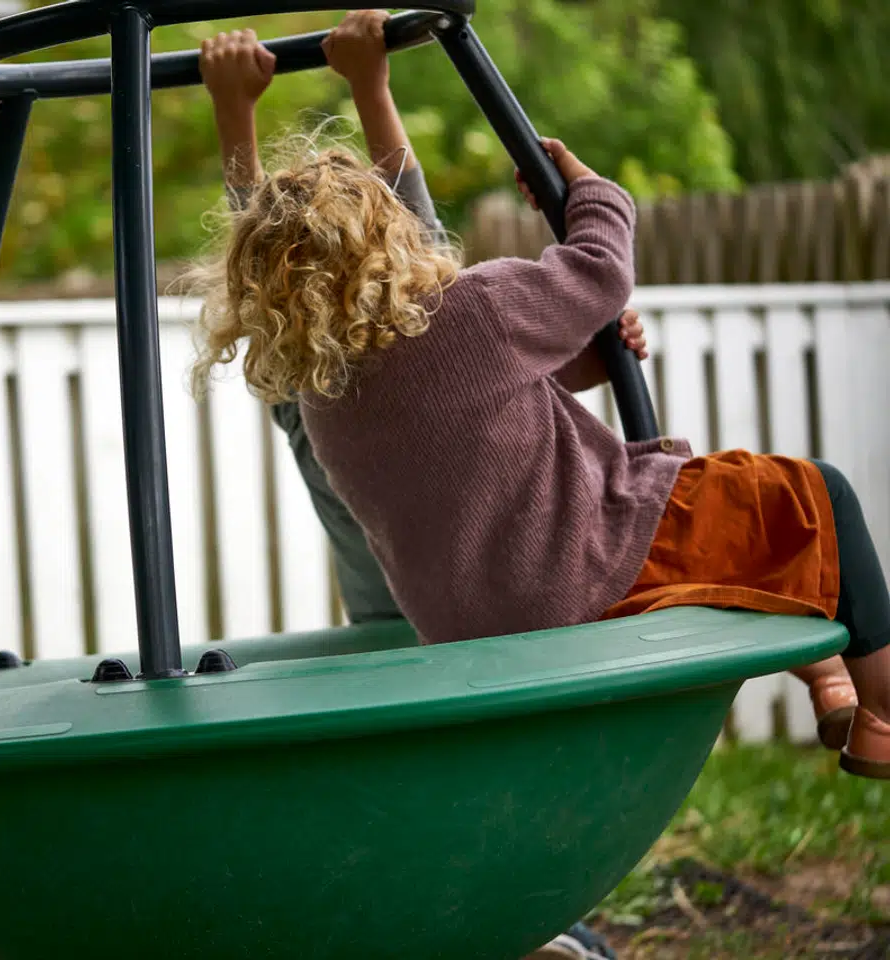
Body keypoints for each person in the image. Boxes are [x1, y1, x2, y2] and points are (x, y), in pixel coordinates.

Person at [194, 11, 890, 787]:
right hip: (589, 572)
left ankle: (827, 675)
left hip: (478, 626)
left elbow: (479, 410)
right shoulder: (470, 314)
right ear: (389, 238)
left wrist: (238, 117)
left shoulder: (324, 391)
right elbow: (599, 267)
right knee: (814, 496)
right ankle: (885, 714)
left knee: (709, 511)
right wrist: (590, 189)